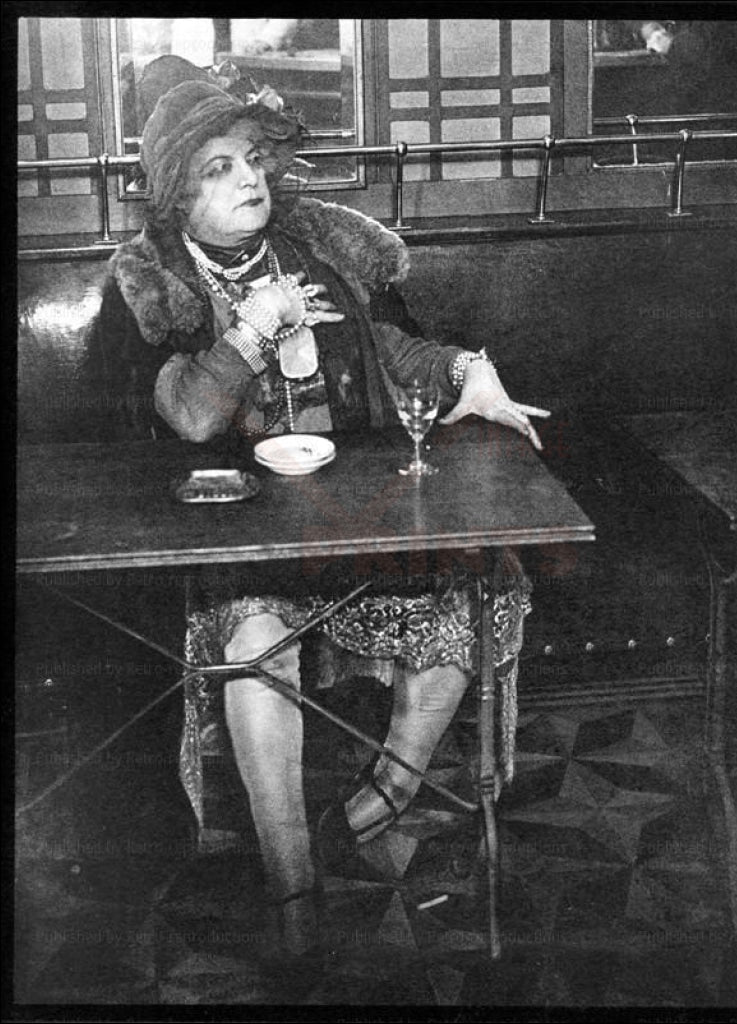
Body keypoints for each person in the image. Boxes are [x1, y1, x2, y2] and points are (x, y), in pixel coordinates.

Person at [85, 56, 549, 958]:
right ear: (177, 200)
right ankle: (293, 887)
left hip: (354, 525)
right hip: (235, 549)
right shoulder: (153, 290)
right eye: (218, 170)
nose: (249, 179)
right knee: (257, 644)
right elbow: (186, 419)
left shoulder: (318, 253)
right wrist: (252, 331)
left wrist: (465, 375)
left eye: (252, 159)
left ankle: (381, 800)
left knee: (468, 596)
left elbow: (393, 352)